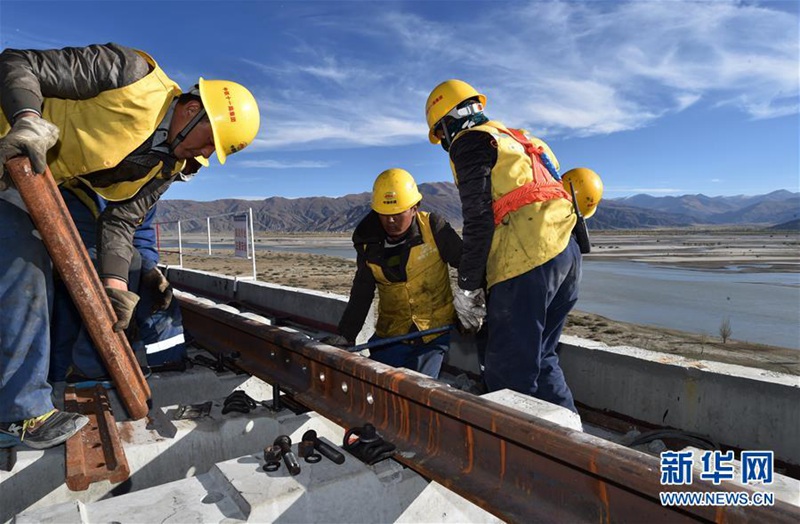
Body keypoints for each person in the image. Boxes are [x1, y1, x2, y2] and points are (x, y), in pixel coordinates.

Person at [0, 42, 260, 449]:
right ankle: (18, 413)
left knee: (90, 269)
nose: (207, 155)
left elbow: (120, 221)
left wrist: (114, 289)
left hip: (37, 183)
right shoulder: (130, 74)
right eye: (211, 141)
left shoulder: (165, 167)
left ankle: (67, 376)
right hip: (11, 149)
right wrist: (28, 119)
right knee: (25, 263)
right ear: (193, 110)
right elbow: (16, 61)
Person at [424, 79, 581, 412]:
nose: (444, 144)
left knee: (508, 372)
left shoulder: (470, 141)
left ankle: (514, 443)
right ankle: (572, 436)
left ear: (447, 123)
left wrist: (468, 288)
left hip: (527, 259)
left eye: (440, 134)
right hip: (566, 254)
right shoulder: (524, 141)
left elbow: (478, 219)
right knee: (542, 356)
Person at [327, 168, 462, 379]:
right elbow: (362, 292)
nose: (390, 221)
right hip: (390, 335)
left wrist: (472, 302)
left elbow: (467, 264)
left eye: (398, 214)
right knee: (377, 385)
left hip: (433, 333)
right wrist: (346, 335)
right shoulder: (367, 243)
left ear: (414, 208)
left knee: (418, 389)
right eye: (384, 214)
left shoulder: (435, 229)